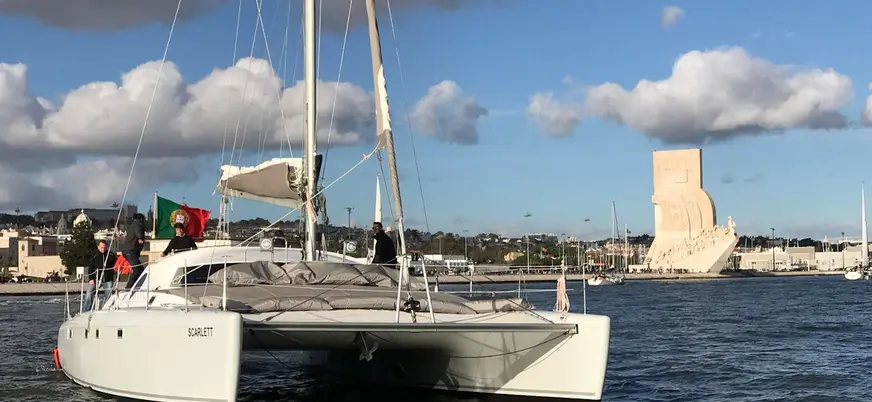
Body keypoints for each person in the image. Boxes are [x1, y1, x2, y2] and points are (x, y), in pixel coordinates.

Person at [82, 240, 117, 312]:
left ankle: (108, 309)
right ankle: (86, 310)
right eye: (101, 247)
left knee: (109, 295)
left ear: (106, 247)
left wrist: (114, 273)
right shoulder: (94, 256)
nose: (103, 249)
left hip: (108, 279)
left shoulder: (111, 255)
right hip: (96, 278)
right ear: (98, 247)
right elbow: (90, 268)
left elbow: (115, 266)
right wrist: (91, 279)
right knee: (89, 292)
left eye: (104, 247)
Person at [121, 213, 146, 289]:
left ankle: (135, 285)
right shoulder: (138, 225)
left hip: (128, 250)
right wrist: (141, 238)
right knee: (137, 269)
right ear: (141, 219)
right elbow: (139, 235)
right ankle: (129, 287)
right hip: (131, 250)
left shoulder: (131, 226)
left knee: (140, 269)